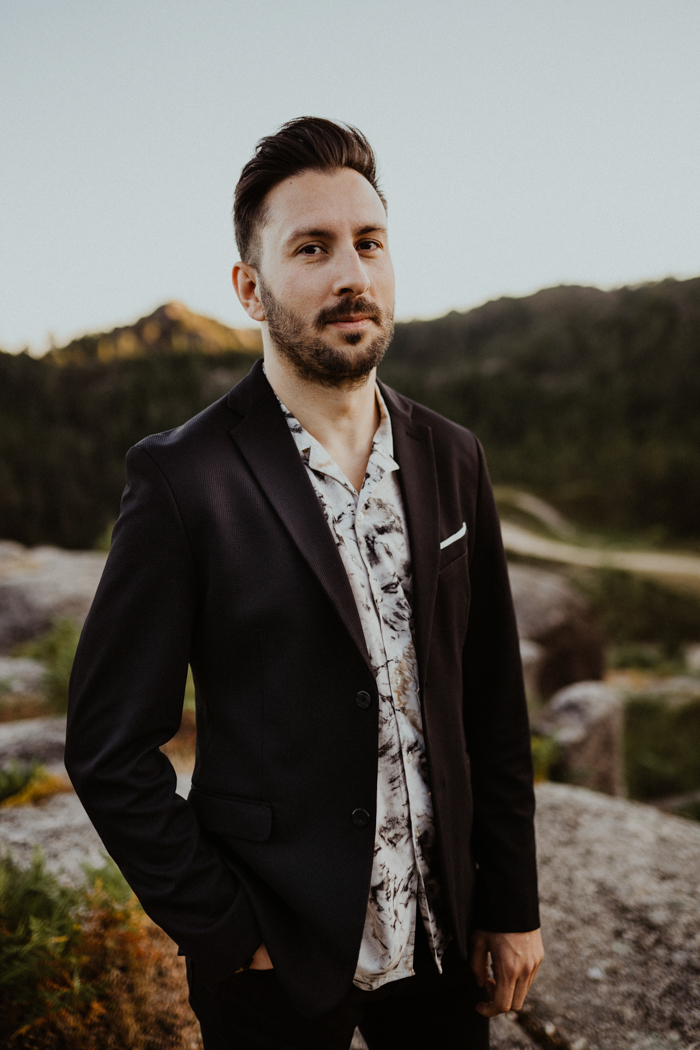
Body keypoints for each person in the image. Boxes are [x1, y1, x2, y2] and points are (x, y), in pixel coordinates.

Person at [66, 117, 544, 1050]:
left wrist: (511, 900)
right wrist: (227, 930)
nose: (351, 274)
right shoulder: (181, 478)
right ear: (250, 287)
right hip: (276, 964)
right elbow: (108, 744)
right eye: (313, 248)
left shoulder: (453, 456)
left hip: (444, 945)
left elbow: (491, 700)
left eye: (369, 243)